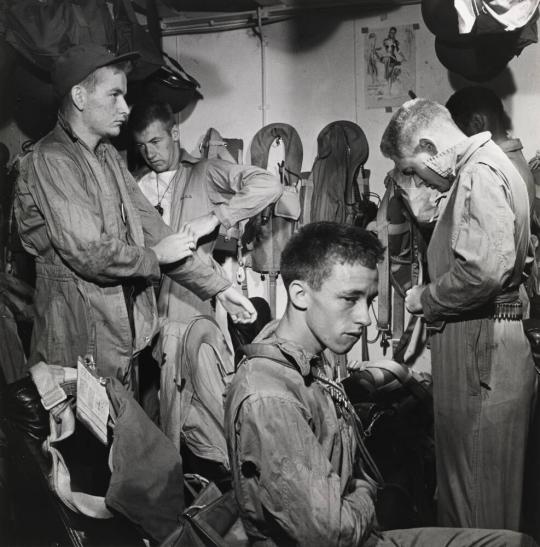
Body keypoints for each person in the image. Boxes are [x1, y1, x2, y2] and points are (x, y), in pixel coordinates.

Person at [224, 221, 536, 547]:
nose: (365, 318)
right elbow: (331, 536)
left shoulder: (301, 354)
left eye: (369, 300)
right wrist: (366, 490)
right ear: (300, 294)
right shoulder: (271, 397)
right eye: (349, 298)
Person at [13, 44, 256, 393]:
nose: (125, 109)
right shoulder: (52, 159)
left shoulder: (108, 156)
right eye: (114, 95)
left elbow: (155, 230)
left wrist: (221, 287)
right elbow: (91, 253)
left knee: (124, 441)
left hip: (120, 339)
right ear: (80, 97)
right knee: (83, 445)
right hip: (73, 342)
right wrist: (155, 257)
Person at [380, 98, 536, 531]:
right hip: (481, 346)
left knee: (476, 507)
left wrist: (423, 299)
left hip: (480, 352)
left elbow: (482, 273)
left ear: (429, 146)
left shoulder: (478, 173)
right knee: (473, 498)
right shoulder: (482, 169)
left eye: (410, 167)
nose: (414, 177)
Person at [129, 100, 282, 322]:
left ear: (174, 133)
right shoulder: (132, 182)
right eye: (141, 146)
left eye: (155, 141)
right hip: (140, 304)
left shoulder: (204, 172)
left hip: (188, 304)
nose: (149, 153)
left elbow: (269, 185)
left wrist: (216, 217)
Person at [446, 86, 538, 221]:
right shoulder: (512, 159)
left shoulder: (490, 171)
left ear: (477, 123)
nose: (458, 143)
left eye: (459, 132)